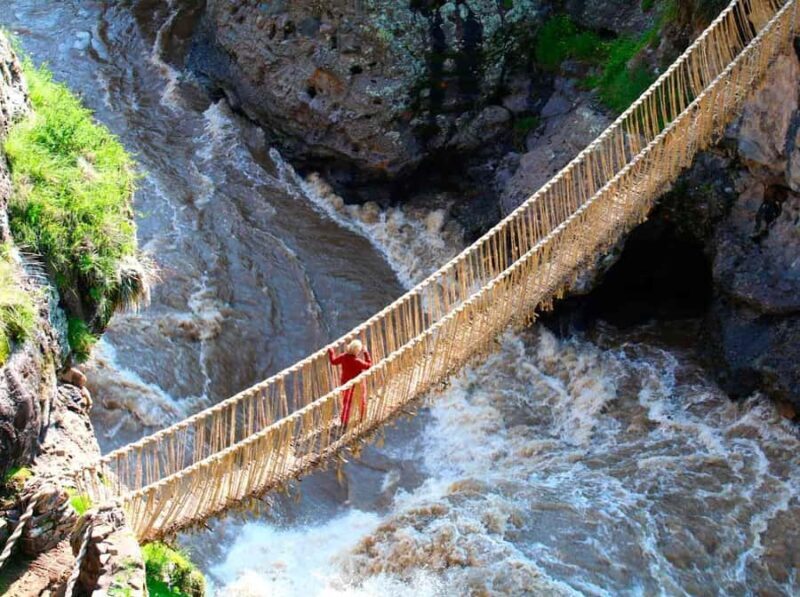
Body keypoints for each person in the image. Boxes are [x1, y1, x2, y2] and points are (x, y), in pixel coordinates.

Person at [328, 339, 372, 427]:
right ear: (357, 351)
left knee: (346, 403)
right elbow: (368, 365)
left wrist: (331, 351)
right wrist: (366, 353)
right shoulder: (357, 361)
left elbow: (333, 361)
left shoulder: (343, 357)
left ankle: (344, 422)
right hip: (357, 384)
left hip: (346, 384)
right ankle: (363, 417)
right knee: (361, 401)